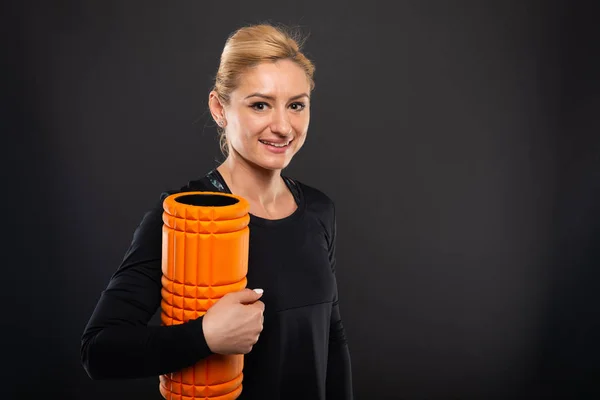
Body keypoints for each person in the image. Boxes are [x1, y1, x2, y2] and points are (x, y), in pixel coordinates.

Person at [80, 23, 353, 399]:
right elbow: (100, 350)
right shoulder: (182, 216)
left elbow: (331, 337)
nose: (282, 126)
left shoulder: (320, 210)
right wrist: (205, 336)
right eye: (260, 104)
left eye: (296, 105)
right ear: (219, 108)